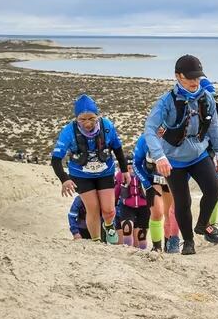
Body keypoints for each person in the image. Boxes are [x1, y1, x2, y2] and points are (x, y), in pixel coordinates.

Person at [144, 54, 218, 256]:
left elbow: (214, 127)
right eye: (190, 77)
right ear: (178, 76)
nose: (194, 82)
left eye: (197, 77)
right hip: (174, 160)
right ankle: (188, 242)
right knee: (183, 202)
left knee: (213, 189)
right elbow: (150, 129)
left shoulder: (206, 98)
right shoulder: (166, 101)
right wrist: (160, 156)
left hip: (198, 154)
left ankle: (202, 225)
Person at [51, 94, 128, 244]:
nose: (87, 123)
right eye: (83, 119)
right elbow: (55, 159)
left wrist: (124, 170)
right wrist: (64, 179)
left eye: (91, 118)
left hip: (105, 171)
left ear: (97, 116)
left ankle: (108, 225)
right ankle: (96, 241)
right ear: (76, 118)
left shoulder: (107, 126)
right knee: (92, 208)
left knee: (109, 210)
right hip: (81, 174)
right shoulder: (68, 132)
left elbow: (118, 149)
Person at [133, 133, 180, 253]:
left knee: (170, 214)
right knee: (157, 213)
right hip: (151, 179)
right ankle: (156, 247)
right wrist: (146, 184)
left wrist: (182, 183)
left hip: (171, 179)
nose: (160, 130)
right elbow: (136, 163)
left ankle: (168, 246)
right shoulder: (144, 139)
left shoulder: (176, 136)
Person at [114, 164, 150, 249]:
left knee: (142, 234)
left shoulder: (144, 173)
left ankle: (143, 255)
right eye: (128, 168)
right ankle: (127, 252)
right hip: (127, 205)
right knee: (127, 228)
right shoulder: (120, 175)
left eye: (132, 168)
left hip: (144, 206)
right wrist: (113, 205)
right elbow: (116, 190)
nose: (130, 171)